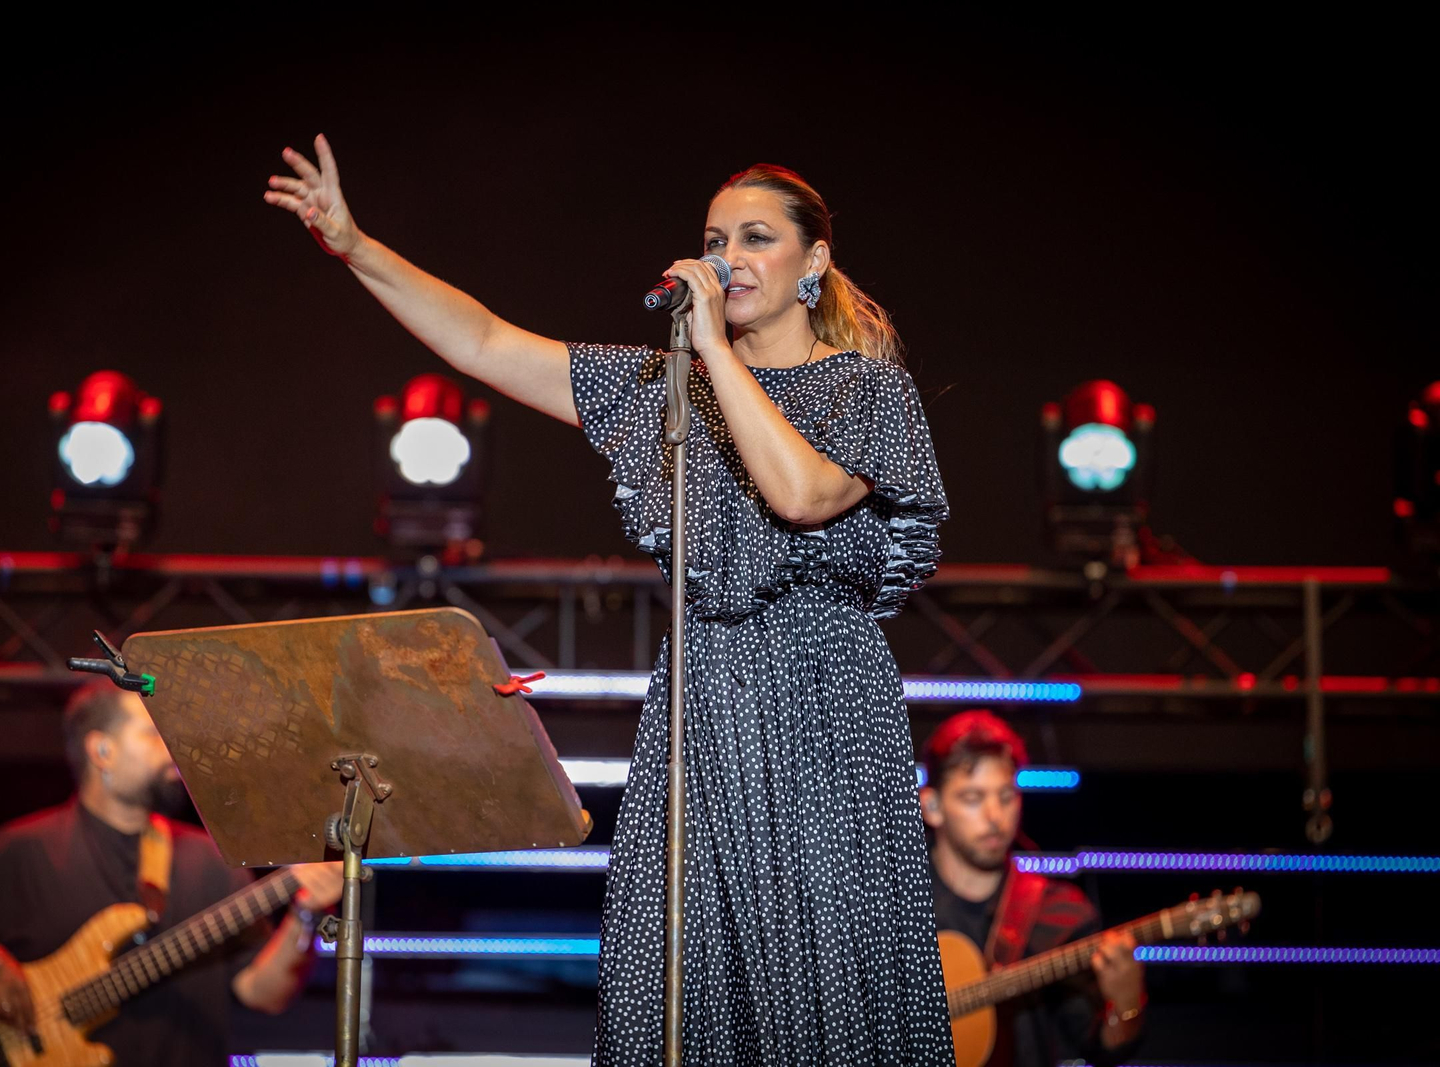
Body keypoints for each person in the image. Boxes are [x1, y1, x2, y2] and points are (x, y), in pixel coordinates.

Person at [264, 137, 955, 1064]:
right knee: (682, 986)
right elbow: (484, 341)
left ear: (814, 261)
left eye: (756, 238)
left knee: (826, 987)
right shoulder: (666, 388)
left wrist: (713, 351)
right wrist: (355, 246)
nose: (728, 258)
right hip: (700, 704)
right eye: (715, 240)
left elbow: (800, 495)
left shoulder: (867, 389)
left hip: (821, 710)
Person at [0, 680, 344, 1066]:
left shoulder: (211, 860)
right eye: (153, 734)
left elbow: (264, 994)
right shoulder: (17, 853)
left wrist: (304, 915)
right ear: (102, 751)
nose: (173, 748)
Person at [919, 710, 1146, 1067]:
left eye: (1006, 795)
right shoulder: (889, 906)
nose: (995, 816)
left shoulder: (1060, 915)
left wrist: (1128, 1005)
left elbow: (1102, 1049)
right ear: (932, 807)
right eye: (973, 798)